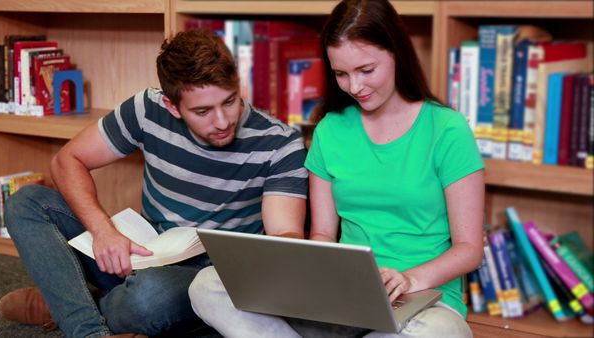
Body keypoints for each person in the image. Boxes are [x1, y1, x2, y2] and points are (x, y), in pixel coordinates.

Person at [188, 0, 485, 337]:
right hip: (347, 295)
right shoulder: (329, 130)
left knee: (437, 333)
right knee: (208, 285)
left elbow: (469, 249)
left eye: (366, 70)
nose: (354, 87)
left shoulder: (447, 129)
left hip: (424, 299)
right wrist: (320, 285)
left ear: (397, 53)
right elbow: (324, 234)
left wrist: (409, 279)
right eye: (341, 74)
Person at [0, 29, 308, 338]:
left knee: (148, 299)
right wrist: (103, 231)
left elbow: (283, 233)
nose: (223, 121)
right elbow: (66, 161)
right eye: (202, 111)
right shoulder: (147, 110)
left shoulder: (278, 142)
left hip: (208, 279)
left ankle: (68, 304)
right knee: (27, 203)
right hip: (142, 253)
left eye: (230, 101)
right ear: (172, 106)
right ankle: (89, 327)